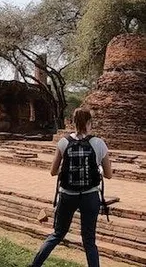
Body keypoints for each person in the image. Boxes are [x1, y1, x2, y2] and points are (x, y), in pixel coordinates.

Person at [29, 108, 112, 267]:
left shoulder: (63, 142)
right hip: (90, 196)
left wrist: (68, 169)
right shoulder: (98, 143)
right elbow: (108, 174)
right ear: (89, 123)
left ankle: (35, 266)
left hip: (68, 195)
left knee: (58, 234)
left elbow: (53, 172)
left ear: (72, 122)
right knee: (89, 240)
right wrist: (98, 169)